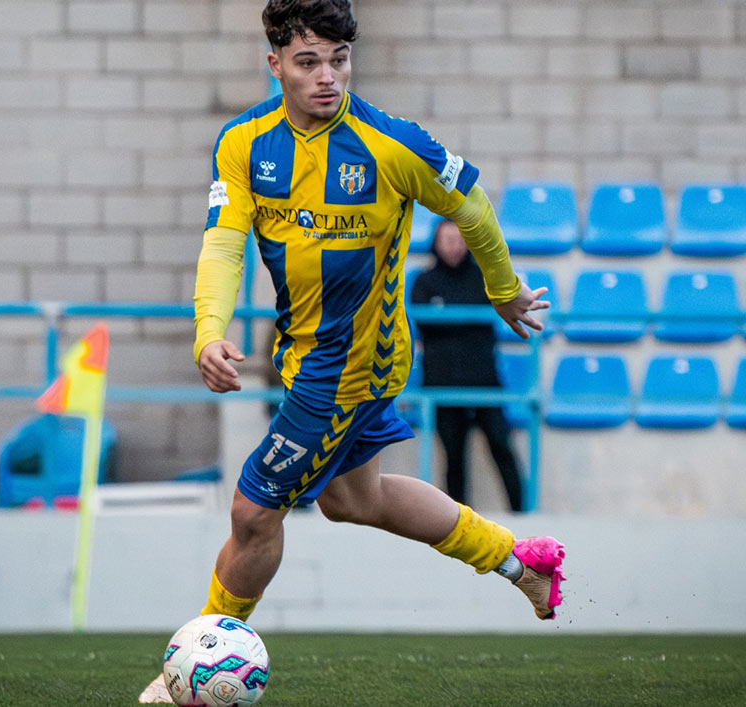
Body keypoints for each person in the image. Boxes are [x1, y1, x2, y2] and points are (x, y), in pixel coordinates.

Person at [140, 1, 564, 700]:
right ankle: (521, 563)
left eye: (338, 60)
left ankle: (189, 669)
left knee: (252, 510)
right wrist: (207, 329)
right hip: (304, 357)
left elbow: (472, 205)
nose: (328, 77)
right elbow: (223, 241)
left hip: (355, 367)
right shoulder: (242, 143)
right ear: (274, 63)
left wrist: (503, 288)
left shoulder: (392, 144)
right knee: (352, 498)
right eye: (308, 62)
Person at [411, 219, 523, 510]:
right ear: (435, 242)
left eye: (459, 238)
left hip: (484, 381)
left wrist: (449, 323)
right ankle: (459, 523)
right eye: (447, 238)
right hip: (442, 382)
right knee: (454, 457)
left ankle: (523, 512)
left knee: (501, 446)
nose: (453, 244)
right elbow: (422, 325)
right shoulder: (424, 282)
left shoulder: (482, 278)